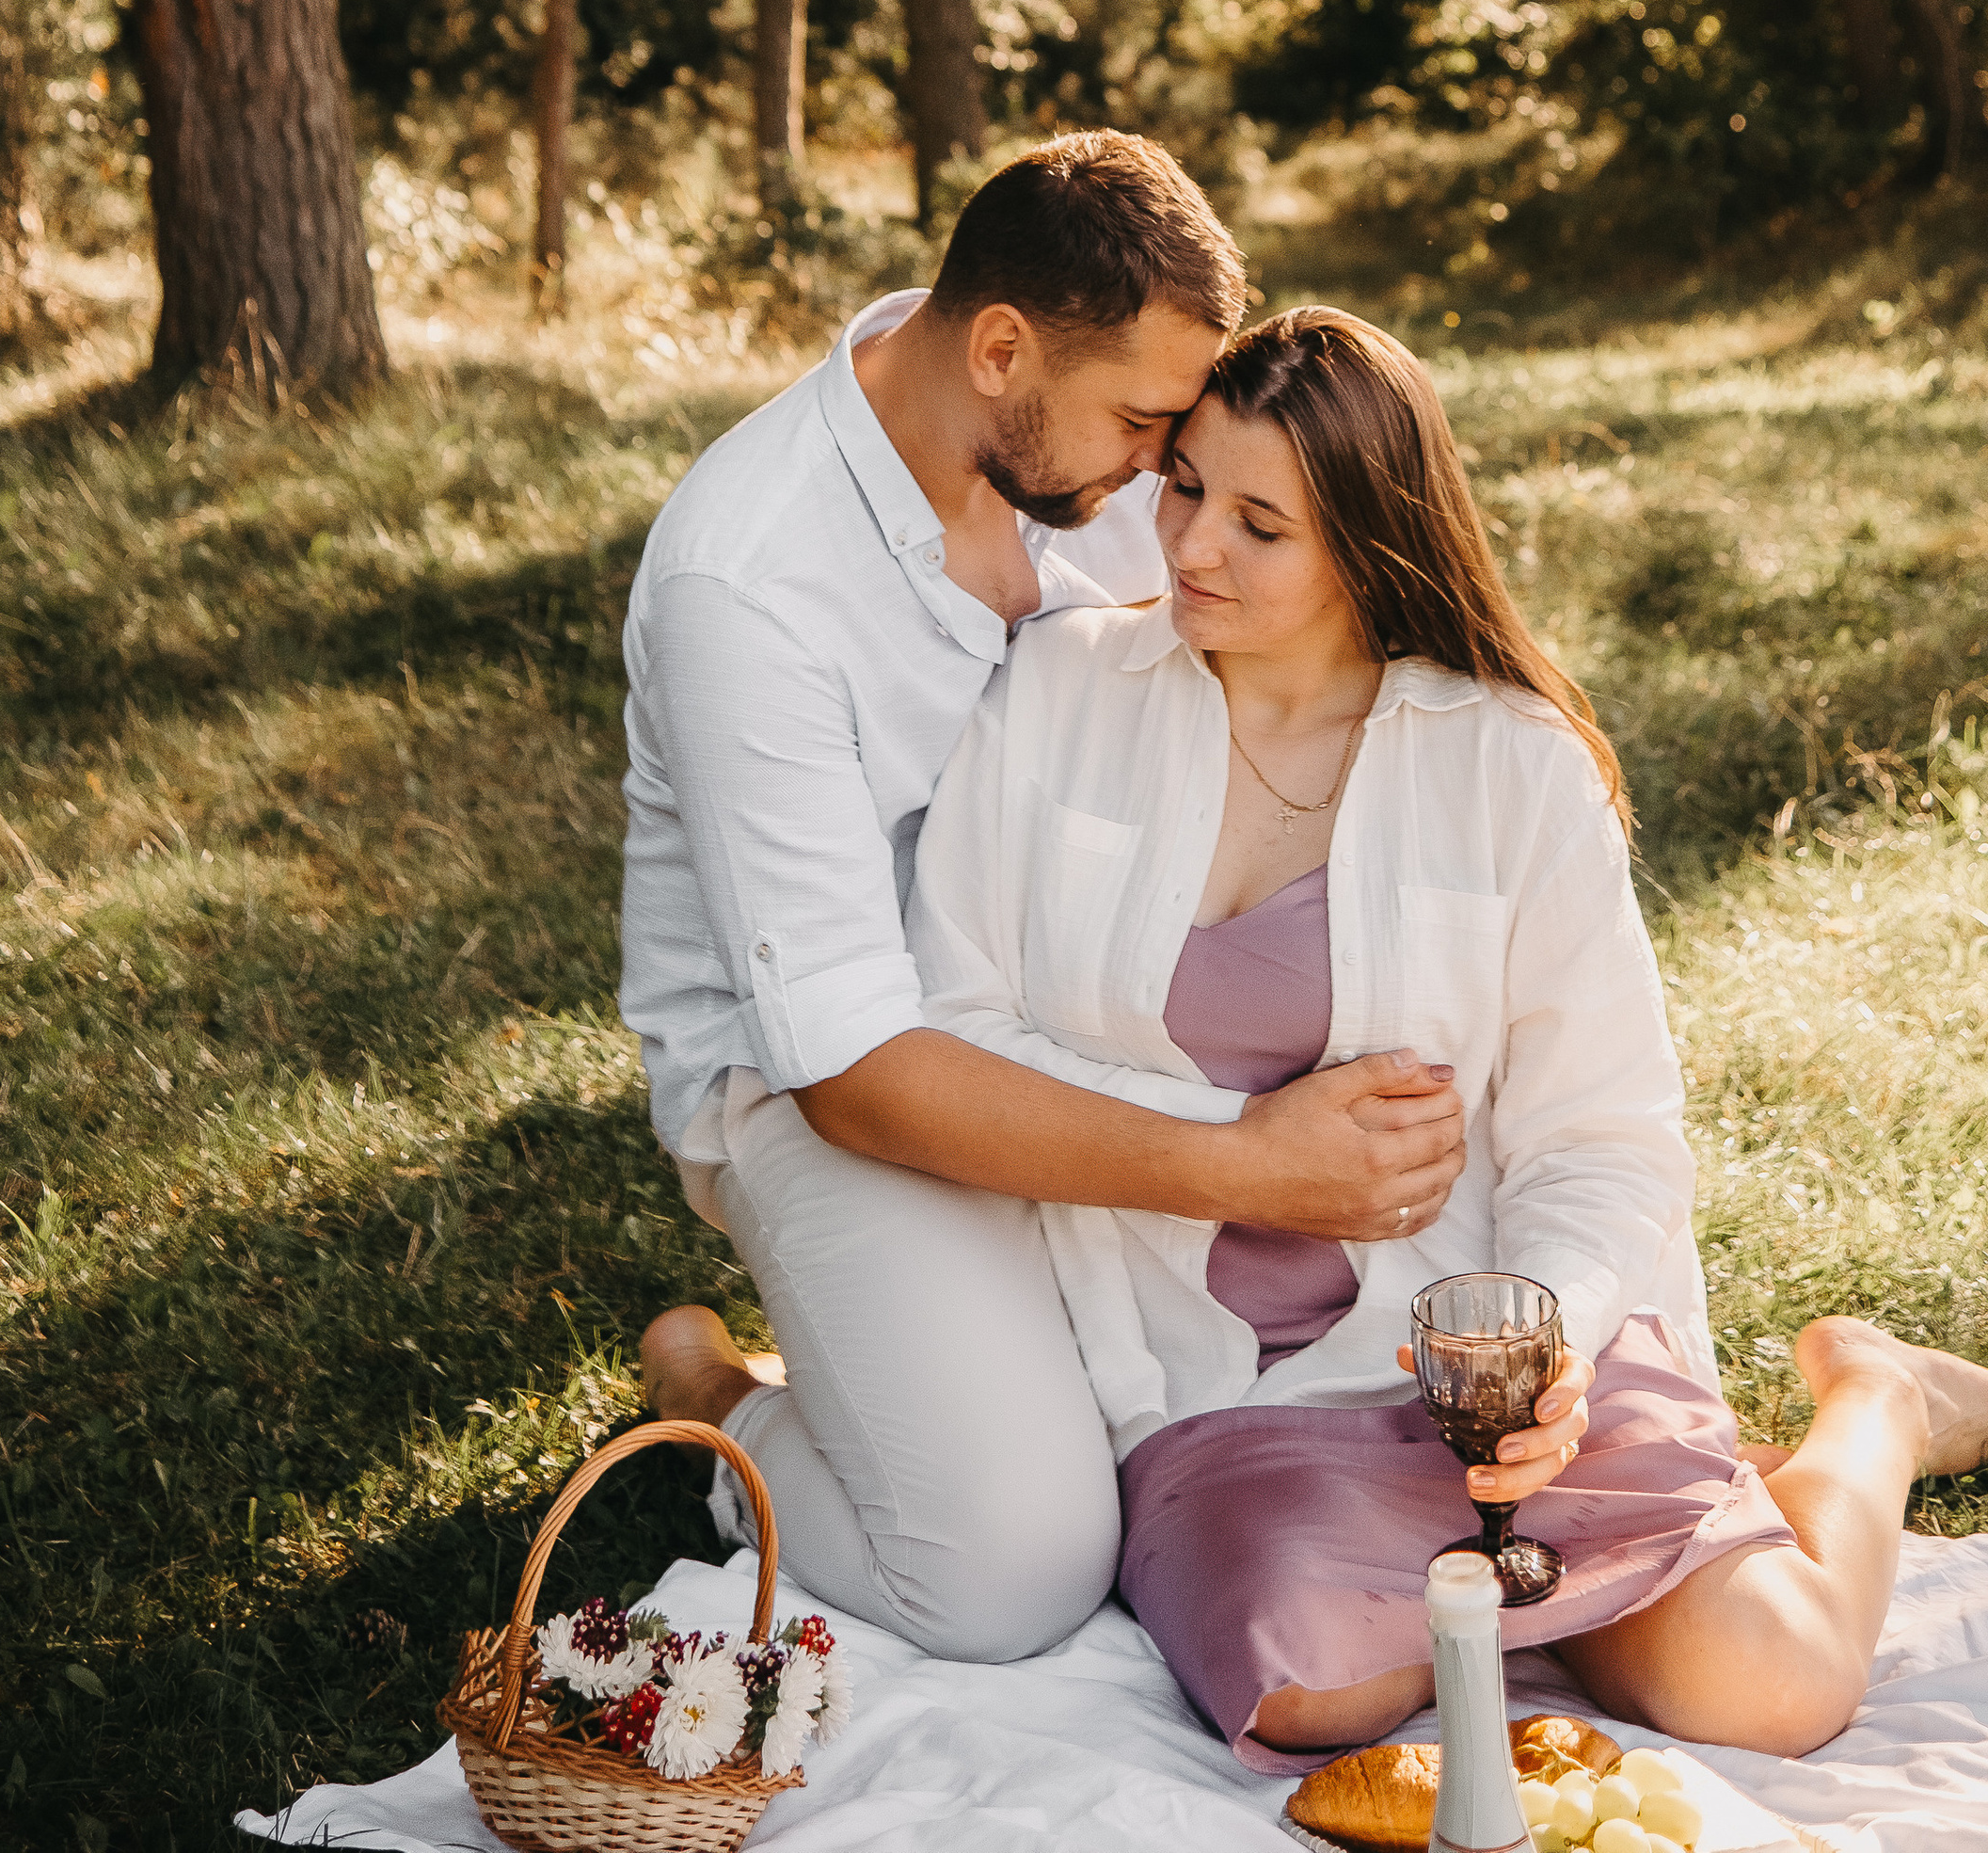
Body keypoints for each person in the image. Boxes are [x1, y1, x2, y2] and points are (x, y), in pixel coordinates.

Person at [908, 304, 1988, 1767]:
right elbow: (953, 1022)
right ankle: (1574, 1601)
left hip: (1484, 1350)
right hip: (1219, 1389)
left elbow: (1605, 1138)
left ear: (1371, 546)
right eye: (1186, 486)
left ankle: (1875, 1400)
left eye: (1263, 524)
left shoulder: (1512, 765)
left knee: (1775, 1694)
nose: (1190, 548)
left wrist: (1554, 1342)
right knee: (1318, 1700)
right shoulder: (1062, 694)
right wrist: (1241, 1153)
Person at [620, 139, 1470, 1664]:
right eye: (1146, 422)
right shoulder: (745, 585)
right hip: (831, 1085)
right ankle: (722, 1409)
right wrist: (1249, 1164)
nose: (1168, 476)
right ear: (1001, 347)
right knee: (1015, 1572)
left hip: (1070, 1009)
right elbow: (852, 1074)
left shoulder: (1074, 465)